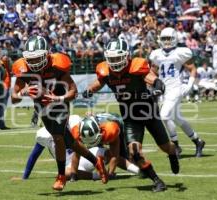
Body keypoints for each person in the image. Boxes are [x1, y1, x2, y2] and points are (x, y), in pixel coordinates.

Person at [11, 36, 108, 191]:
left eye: (38, 58)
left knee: (58, 137)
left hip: (60, 104)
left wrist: (58, 98)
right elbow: (13, 98)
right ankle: (97, 162)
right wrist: (23, 92)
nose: (35, 62)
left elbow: (73, 91)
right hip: (42, 108)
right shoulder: (24, 70)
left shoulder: (57, 66)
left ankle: (61, 176)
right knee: (70, 142)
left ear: (47, 55)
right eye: (32, 59)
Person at [82, 38, 179, 192]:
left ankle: (173, 153)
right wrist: (89, 90)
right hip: (130, 117)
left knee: (166, 147)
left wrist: (158, 87)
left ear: (126, 56)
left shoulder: (136, 67)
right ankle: (157, 181)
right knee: (134, 153)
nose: (114, 62)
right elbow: (100, 82)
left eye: (117, 58)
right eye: (111, 58)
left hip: (149, 113)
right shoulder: (106, 71)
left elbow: (154, 80)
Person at [17, 114, 139, 181]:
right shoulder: (42, 135)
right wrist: (25, 176)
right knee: (67, 173)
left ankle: (138, 170)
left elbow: (86, 137)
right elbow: (34, 155)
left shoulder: (73, 122)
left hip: (87, 155)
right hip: (69, 163)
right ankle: (99, 175)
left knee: (108, 153)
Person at [149, 27, 205, 157]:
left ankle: (175, 146)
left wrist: (189, 85)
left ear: (174, 39)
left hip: (176, 88)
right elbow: (153, 72)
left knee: (164, 115)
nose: (167, 42)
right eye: (164, 39)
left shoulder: (181, 52)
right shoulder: (156, 54)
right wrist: (153, 86)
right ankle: (198, 141)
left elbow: (192, 69)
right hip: (164, 90)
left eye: (169, 39)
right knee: (177, 118)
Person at [70, 112, 140, 181]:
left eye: (94, 141)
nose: (92, 144)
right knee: (98, 154)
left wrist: (110, 174)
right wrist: (73, 174)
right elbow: (77, 153)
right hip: (99, 127)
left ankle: (140, 170)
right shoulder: (76, 132)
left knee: (127, 157)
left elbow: (115, 155)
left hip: (116, 122)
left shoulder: (111, 129)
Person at [0, 54, 11, 130]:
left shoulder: (7, 65)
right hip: (3, 88)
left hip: (7, 88)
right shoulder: (1, 66)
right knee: (1, 107)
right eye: (5, 57)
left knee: (4, 107)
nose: (7, 58)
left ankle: (2, 124)